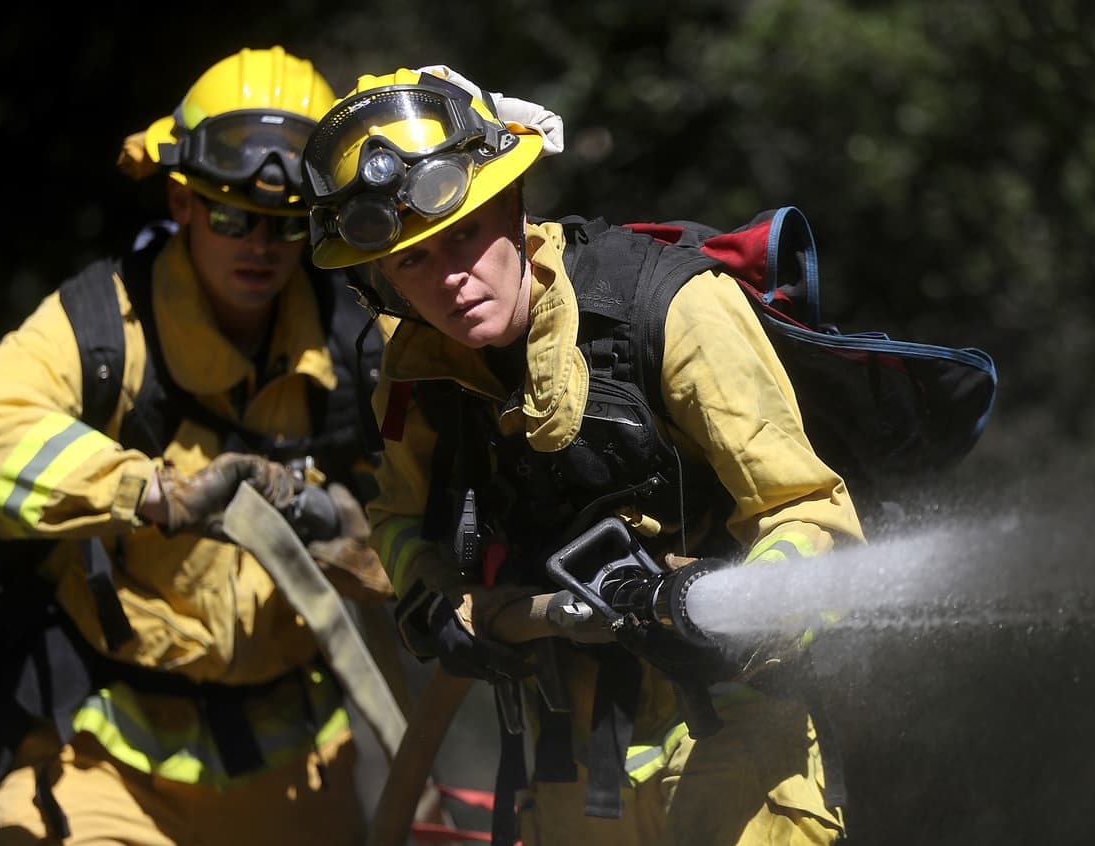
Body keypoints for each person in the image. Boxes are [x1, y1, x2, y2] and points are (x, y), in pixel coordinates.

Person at [300, 67, 868, 846]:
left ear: (510, 204)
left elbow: (814, 520)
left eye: (463, 234)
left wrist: (725, 606)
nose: (451, 279)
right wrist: (436, 601)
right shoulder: (416, 375)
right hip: (569, 758)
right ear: (377, 282)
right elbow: (400, 520)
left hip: (736, 733)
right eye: (411, 262)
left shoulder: (672, 310)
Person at [0, 46, 397, 845]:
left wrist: (347, 528)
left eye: (287, 223)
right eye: (231, 215)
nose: (259, 244)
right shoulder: (102, 328)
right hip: (102, 766)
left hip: (297, 774)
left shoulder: (359, 340)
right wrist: (153, 493)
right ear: (183, 202)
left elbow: (433, 510)